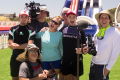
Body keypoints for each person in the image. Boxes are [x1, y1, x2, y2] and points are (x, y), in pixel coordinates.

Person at [77, 10, 120, 80]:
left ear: (109, 20)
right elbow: (94, 46)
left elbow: (116, 52)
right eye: (102, 17)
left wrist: (108, 68)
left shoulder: (115, 32)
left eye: (106, 17)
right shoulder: (98, 31)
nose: (104, 19)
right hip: (93, 64)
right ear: (99, 19)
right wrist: (85, 49)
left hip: (103, 67)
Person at [8, 10, 35, 80]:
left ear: (28, 18)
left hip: (27, 59)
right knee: (15, 78)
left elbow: (30, 45)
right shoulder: (13, 29)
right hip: (15, 58)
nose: (24, 18)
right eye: (22, 17)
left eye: (25, 17)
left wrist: (17, 46)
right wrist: (22, 45)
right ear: (18, 18)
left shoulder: (31, 30)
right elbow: (10, 45)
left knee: (26, 78)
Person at [60, 10, 87, 80]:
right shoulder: (63, 29)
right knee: (67, 78)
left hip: (77, 59)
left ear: (76, 18)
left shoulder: (81, 30)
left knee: (75, 78)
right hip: (66, 59)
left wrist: (82, 50)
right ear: (67, 18)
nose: (72, 19)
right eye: (70, 17)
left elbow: (84, 45)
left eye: (73, 17)